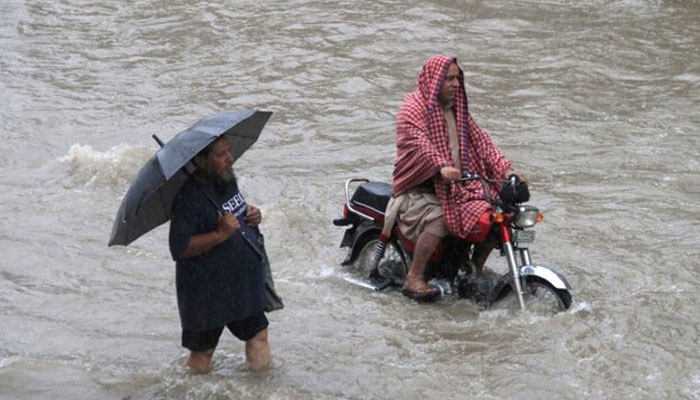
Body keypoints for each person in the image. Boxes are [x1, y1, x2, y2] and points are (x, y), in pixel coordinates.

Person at [383, 54, 527, 302]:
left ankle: (472, 270)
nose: (455, 84)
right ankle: (414, 278)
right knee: (441, 220)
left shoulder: (458, 111)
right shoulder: (413, 108)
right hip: (420, 190)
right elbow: (419, 144)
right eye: (448, 78)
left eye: (457, 78)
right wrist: (441, 166)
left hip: (457, 187)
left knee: (495, 216)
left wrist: (507, 171)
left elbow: (484, 144)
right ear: (434, 80)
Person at [169, 136, 271, 373]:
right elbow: (179, 247)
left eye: (229, 151)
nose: (229, 158)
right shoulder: (188, 198)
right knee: (203, 353)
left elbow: (236, 211)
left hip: (240, 282)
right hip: (205, 291)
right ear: (201, 160)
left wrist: (252, 214)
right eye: (221, 154)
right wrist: (220, 234)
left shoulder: (226, 180)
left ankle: (261, 391)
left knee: (258, 336)